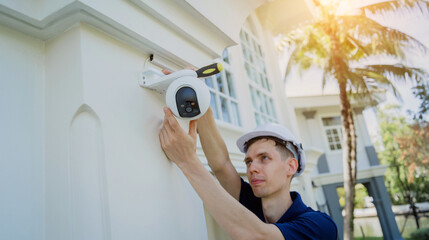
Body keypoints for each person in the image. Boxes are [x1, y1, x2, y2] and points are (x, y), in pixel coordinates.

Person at [159, 92, 337, 239]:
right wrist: (200, 97)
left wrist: (188, 161)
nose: (252, 168)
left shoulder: (319, 226)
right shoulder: (251, 203)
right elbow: (222, 165)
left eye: (265, 158)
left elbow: (258, 236)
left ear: (290, 166)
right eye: (249, 161)